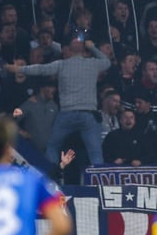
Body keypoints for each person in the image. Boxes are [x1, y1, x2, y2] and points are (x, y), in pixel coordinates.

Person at [9, 36, 112, 166]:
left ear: (68, 50)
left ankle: (52, 177)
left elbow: (41, 69)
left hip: (67, 114)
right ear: (83, 49)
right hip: (88, 115)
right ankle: (98, 183)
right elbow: (107, 62)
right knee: (95, 152)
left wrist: (19, 69)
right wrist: (92, 47)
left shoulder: (62, 65)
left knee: (52, 146)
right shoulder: (93, 63)